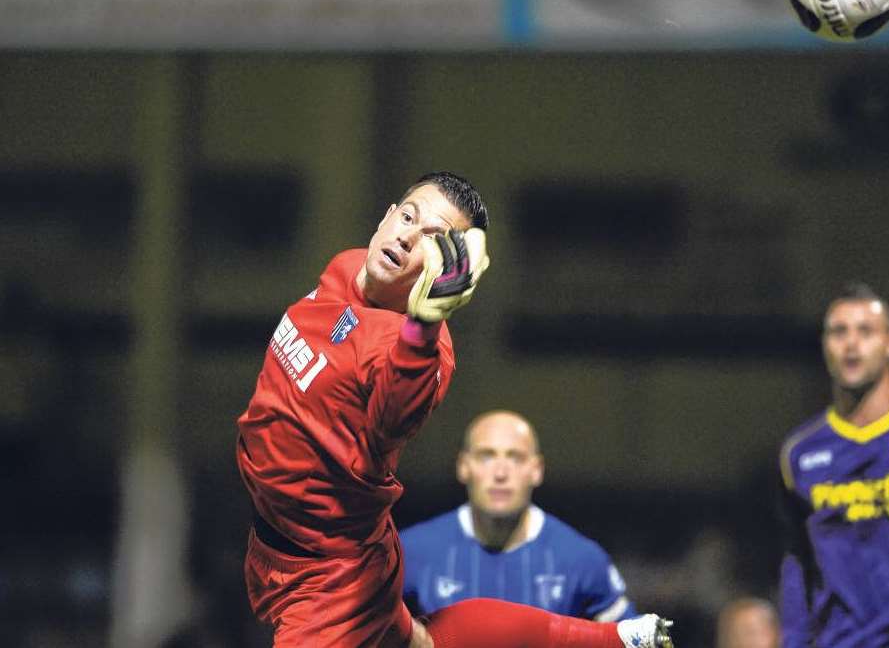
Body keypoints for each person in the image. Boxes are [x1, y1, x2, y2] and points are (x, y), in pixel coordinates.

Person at [235, 171, 674, 648]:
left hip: (333, 574)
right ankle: (624, 639)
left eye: (432, 241)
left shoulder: (420, 348)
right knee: (422, 643)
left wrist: (423, 326)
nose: (406, 237)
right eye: (407, 217)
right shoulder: (345, 267)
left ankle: (618, 639)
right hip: (270, 538)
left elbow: (392, 420)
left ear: (446, 268)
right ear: (386, 216)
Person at [778, 283, 889, 647]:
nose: (851, 343)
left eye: (865, 331)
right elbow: (797, 565)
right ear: (824, 345)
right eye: (838, 331)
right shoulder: (800, 453)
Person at [401, 409, 637, 622]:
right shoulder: (410, 552)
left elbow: (633, 639)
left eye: (515, 457)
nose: (501, 473)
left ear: (537, 470)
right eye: (486, 456)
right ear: (463, 466)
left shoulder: (580, 559)